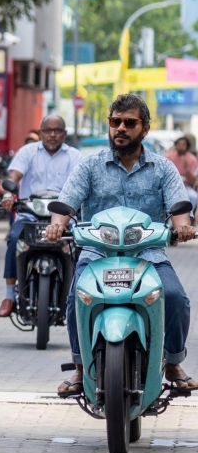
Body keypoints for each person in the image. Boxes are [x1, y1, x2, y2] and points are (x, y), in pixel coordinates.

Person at [46, 94, 198, 396]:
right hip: (97, 253)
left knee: (175, 297)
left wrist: (183, 225)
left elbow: (179, 206)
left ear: (145, 129)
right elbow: (65, 204)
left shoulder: (163, 168)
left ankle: (173, 363)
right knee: (77, 299)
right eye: (116, 122)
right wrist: (56, 225)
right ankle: (79, 368)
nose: (121, 128)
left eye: (130, 123)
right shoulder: (90, 166)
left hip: (148, 254)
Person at [0, 115, 81, 317]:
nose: (52, 134)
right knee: (14, 238)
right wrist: (9, 194)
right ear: (40, 132)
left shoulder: (75, 156)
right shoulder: (27, 152)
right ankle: (9, 295)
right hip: (29, 214)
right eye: (48, 130)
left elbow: (81, 184)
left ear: (65, 134)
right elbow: (14, 176)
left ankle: (79, 293)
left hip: (64, 216)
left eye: (57, 130)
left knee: (80, 244)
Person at [165, 135, 198, 212]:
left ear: (187, 146)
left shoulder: (192, 159)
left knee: (193, 196)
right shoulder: (168, 156)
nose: (181, 147)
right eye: (179, 144)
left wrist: (186, 167)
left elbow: (193, 180)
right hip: (170, 185)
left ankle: (189, 217)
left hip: (185, 186)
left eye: (183, 145)